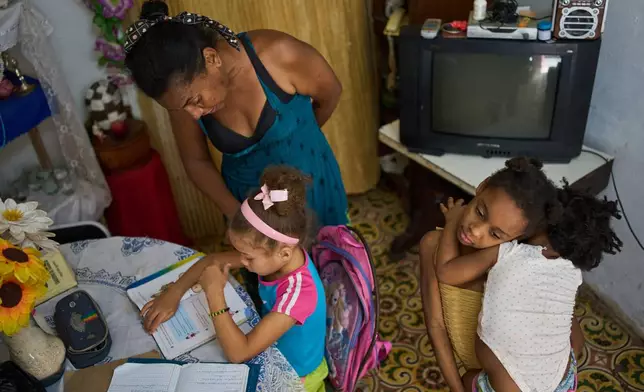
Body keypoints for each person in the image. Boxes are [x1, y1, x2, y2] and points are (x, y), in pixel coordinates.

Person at [124, 1, 348, 305]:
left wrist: (303, 138)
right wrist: (236, 213)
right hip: (250, 206)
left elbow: (330, 92)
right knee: (275, 297)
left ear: (212, 57)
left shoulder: (276, 55)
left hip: (313, 187)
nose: (193, 113)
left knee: (330, 281)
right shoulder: (182, 98)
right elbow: (196, 161)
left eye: (196, 100)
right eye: (183, 107)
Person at [141, 166, 328, 392]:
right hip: (273, 348)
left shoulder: (300, 293)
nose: (242, 262)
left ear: (284, 253)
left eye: (247, 257)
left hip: (296, 375)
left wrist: (215, 294)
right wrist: (174, 292)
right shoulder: (277, 256)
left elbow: (239, 353)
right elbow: (212, 260)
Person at [435, 182, 623, 392]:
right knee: (567, 322)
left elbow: (446, 273)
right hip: (563, 383)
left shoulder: (507, 252)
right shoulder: (572, 270)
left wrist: (452, 222)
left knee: (469, 378)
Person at [419, 157, 584, 392]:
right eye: (480, 211)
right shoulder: (433, 246)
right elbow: (436, 326)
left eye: (495, 234)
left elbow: (564, 325)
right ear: (483, 185)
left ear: (517, 236)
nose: (475, 230)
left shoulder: (517, 258)